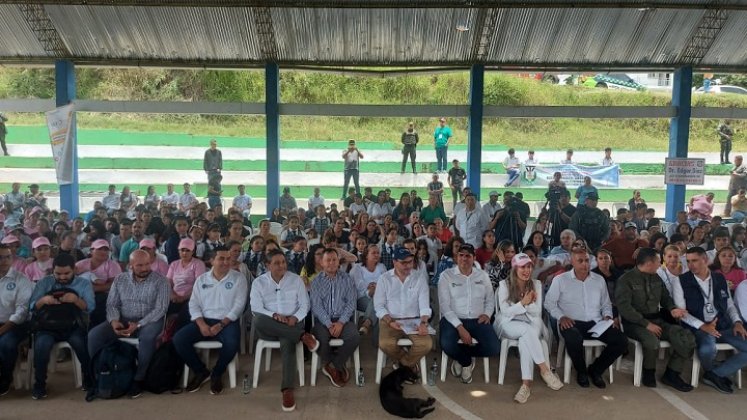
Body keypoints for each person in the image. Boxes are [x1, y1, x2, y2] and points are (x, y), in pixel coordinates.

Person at [87, 250, 169, 398]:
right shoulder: (120, 279)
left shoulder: (161, 281)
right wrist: (114, 321)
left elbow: (161, 309)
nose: (144, 268)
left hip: (150, 320)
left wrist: (138, 324)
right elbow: (112, 304)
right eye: (139, 265)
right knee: (94, 335)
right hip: (123, 319)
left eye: (147, 264)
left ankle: (139, 378)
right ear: (130, 266)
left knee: (148, 337)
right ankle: (102, 372)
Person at [544, 249, 628, 388]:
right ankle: (581, 371)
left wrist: (607, 316)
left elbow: (606, 303)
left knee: (621, 341)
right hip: (571, 322)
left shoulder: (599, 280)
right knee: (573, 338)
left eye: (587, 260)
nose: (585, 264)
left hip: (595, 323)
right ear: (572, 262)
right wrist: (561, 317)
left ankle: (596, 370)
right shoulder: (561, 280)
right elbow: (549, 303)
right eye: (580, 261)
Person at [615, 248, 695, 391]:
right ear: (649, 262)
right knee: (652, 341)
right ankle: (648, 372)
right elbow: (625, 308)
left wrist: (672, 309)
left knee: (684, 337)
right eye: (659, 261)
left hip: (656, 320)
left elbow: (665, 298)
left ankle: (672, 374)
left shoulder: (656, 277)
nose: (661, 264)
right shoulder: (626, 280)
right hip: (634, 323)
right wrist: (646, 324)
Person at [250, 249, 319, 411]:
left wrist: (295, 318)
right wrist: (273, 315)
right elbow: (255, 308)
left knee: (288, 341)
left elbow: (305, 305)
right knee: (258, 318)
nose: (282, 265)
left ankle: (287, 389)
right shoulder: (259, 283)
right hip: (269, 326)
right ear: (267, 265)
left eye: (283, 262)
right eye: (276, 263)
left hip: (292, 323)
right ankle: (302, 336)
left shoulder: (295, 280)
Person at [672, 247, 747, 394]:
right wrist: (703, 326)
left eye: (694, 260)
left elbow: (729, 305)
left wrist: (737, 322)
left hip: (723, 325)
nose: (691, 264)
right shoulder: (680, 281)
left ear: (705, 260)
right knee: (707, 350)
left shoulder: (719, 279)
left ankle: (715, 374)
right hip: (698, 327)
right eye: (688, 261)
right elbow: (682, 312)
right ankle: (716, 373)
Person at [174, 245, 247, 395]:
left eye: (228, 259)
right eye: (221, 259)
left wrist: (221, 324)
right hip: (204, 320)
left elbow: (239, 306)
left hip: (227, 321)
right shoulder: (202, 279)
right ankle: (200, 371)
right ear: (212, 261)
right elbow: (193, 304)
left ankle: (217, 373)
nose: (226, 262)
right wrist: (201, 324)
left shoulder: (238, 278)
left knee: (232, 343)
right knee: (179, 339)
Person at [495, 253, 563, 403]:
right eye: (522, 267)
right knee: (527, 331)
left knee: (527, 335)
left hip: (531, 322)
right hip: (508, 323)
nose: (527, 270)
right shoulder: (504, 285)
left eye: (529, 266)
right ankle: (544, 369)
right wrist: (524, 303)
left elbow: (537, 312)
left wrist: (522, 306)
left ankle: (526, 385)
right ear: (515, 268)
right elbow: (505, 312)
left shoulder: (536, 284)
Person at [29, 253, 95, 399]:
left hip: (73, 325)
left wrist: (76, 300)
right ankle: (39, 384)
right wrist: (43, 300)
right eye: (58, 273)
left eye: (67, 273)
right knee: (41, 346)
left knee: (81, 344)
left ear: (74, 270)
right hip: (46, 326)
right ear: (52, 270)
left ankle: (88, 377)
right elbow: (32, 307)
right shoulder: (44, 283)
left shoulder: (83, 284)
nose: (62, 277)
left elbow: (90, 307)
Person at [438, 244, 500, 384]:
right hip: (452, 319)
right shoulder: (446, 276)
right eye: (461, 255)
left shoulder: (482, 275)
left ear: (474, 258)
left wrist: (487, 314)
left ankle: (461, 357)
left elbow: (490, 299)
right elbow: (444, 306)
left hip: (477, 319)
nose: (464, 258)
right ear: (456, 257)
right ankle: (466, 362)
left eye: (468, 255)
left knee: (494, 347)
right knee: (446, 344)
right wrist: (460, 328)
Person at [374, 248, 432, 375]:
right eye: (403, 263)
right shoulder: (384, 279)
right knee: (385, 344)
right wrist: (390, 322)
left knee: (426, 344)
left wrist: (423, 323)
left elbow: (424, 305)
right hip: (391, 320)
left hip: (414, 320)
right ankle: (408, 363)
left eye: (410, 262)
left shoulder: (419, 278)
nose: (408, 266)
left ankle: (402, 365)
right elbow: (379, 306)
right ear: (394, 262)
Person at [310, 248, 360, 386]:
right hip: (323, 322)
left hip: (342, 320)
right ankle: (335, 364)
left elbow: (351, 303)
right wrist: (328, 323)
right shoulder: (316, 282)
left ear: (339, 262)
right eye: (328, 260)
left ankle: (333, 364)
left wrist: (341, 322)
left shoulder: (347, 279)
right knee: (321, 339)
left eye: (334, 259)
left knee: (354, 336)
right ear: (322, 263)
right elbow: (316, 306)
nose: (332, 263)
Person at [0, 244, 33, 395]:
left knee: (6, 344)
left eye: (8, 257)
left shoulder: (21, 280)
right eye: (1, 257)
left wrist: (3, 329)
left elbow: (22, 310)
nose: (5, 260)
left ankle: (5, 379)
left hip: (16, 324)